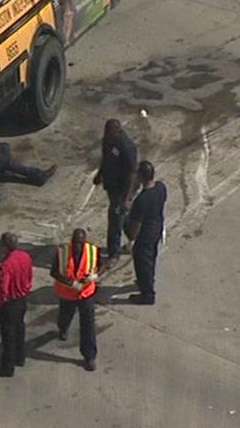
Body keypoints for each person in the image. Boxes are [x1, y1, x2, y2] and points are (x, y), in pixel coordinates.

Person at [51, 227, 99, 371]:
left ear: (85, 242)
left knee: (88, 324)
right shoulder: (63, 252)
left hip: (86, 293)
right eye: (76, 242)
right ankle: (63, 328)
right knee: (65, 315)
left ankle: (89, 356)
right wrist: (71, 283)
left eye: (81, 243)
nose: (78, 246)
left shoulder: (92, 250)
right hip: (67, 293)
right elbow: (54, 272)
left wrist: (94, 275)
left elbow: (99, 266)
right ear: (72, 241)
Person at [92, 119, 138, 256]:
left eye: (110, 132)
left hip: (123, 188)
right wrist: (100, 175)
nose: (107, 134)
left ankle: (114, 251)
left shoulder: (126, 146)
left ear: (118, 131)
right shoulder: (108, 141)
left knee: (115, 218)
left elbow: (132, 173)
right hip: (111, 185)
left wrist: (127, 198)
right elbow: (105, 159)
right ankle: (135, 236)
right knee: (121, 215)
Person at [0, 231, 32, 377]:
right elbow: (29, 276)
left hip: (10, 304)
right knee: (20, 328)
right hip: (22, 299)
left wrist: (2, 301)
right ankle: (20, 357)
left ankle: (7, 367)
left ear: (4, 246)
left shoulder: (6, 265)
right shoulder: (25, 257)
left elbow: (3, 287)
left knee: (8, 336)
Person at [126, 160, 167, 305]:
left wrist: (132, 239)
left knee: (142, 263)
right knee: (151, 258)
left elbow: (136, 225)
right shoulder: (161, 188)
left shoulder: (141, 200)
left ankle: (147, 294)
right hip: (157, 228)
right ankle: (149, 280)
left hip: (146, 235)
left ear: (141, 177)